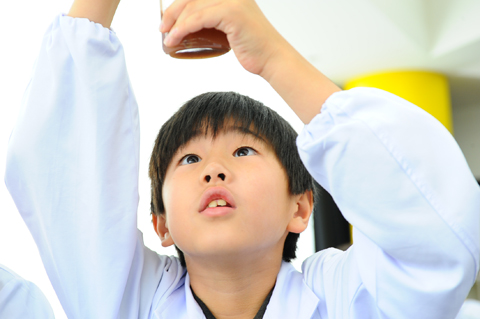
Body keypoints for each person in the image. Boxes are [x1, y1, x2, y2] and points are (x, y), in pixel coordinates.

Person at [4, 0, 480, 318]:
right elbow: (66, 172)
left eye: (244, 150)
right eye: (189, 160)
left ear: (300, 208)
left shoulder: (345, 299)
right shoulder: (129, 300)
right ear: (162, 223)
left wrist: (272, 56)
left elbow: (437, 238)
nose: (214, 169)